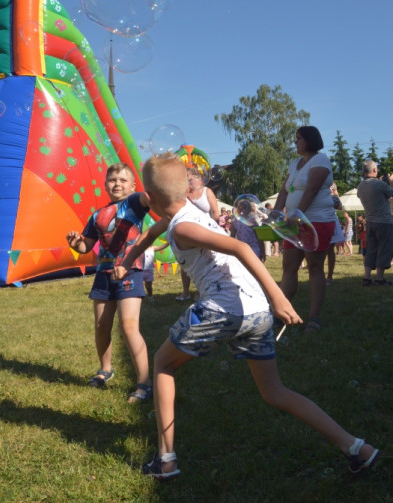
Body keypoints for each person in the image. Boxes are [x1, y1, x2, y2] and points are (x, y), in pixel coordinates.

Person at [113, 153, 379, 480]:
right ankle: (357, 448)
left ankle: (165, 460)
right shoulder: (182, 214)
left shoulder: (182, 227)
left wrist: (279, 296)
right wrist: (127, 261)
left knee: (163, 364)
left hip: (225, 306)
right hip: (256, 311)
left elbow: (238, 248)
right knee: (274, 392)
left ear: (150, 199)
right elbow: (149, 235)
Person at [66, 163, 153, 403]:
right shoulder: (96, 215)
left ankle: (144, 381)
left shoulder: (134, 203)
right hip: (103, 274)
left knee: (128, 326)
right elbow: (86, 246)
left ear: (133, 186)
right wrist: (76, 243)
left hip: (129, 271)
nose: (117, 184)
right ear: (105, 185)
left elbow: (147, 199)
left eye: (123, 180)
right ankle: (105, 369)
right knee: (101, 326)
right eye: (112, 180)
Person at [273, 126, 337, 332]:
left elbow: (311, 190)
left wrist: (296, 215)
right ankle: (281, 314)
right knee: (288, 267)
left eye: (298, 138)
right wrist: (274, 213)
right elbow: (284, 191)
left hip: (316, 221)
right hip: (294, 221)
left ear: (309, 140)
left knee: (314, 267)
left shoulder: (321, 161)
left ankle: (314, 318)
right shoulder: (294, 164)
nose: (295, 142)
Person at [176, 167, 219, 301]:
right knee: (185, 263)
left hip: (206, 232)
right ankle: (185, 292)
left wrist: (213, 229)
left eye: (191, 177)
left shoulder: (207, 191)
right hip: (189, 232)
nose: (189, 180)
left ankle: (201, 291)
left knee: (205, 262)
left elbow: (215, 212)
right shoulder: (183, 194)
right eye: (186, 178)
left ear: (199, 179)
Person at [357, 161, 393, 286]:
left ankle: (367, 277)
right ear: (374, 170)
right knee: (384, 249)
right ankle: (380, 278)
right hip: (383, 222)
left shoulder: (360, 186)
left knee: (371, 249)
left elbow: (374, 195)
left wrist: (381, 182)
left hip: (370, 222)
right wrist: (391, 181)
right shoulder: (380, 185)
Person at [326, 185, 344, 285]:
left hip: (330, 220)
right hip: (318, 219)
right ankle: (319, 276)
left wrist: (335, 192)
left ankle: (329, 276)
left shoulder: (332, 193)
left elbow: (339, 206)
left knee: (330, 250)